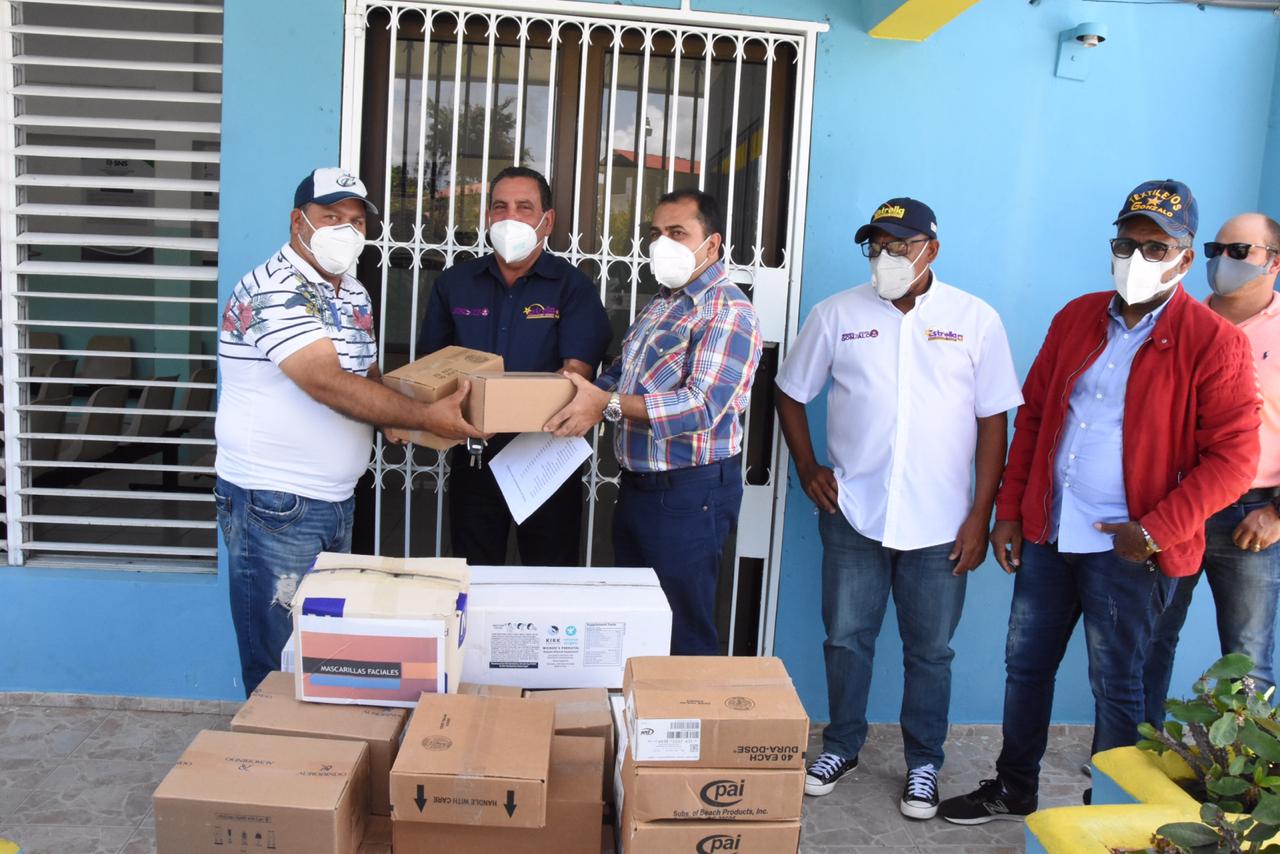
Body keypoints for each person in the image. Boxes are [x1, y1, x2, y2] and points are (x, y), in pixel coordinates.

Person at [939, 179, 1261, 824]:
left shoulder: (1213, 341)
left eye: (1155, 247)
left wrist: (1157, 529)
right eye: (1126, 243)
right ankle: (1014, 787)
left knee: (1119, 685)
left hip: (1132, 549)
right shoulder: (1077, 317)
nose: (1136, 257)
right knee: (1025, 668)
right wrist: (1011, 510)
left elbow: (1234, 459)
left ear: (1185, 257)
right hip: (1051, 532)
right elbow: (1034, 420)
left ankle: (1111, 809)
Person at [774, 198, 1023, 819]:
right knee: (846, 639)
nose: (885, 257)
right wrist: (807, 466)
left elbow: (994, 422)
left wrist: (980, 516)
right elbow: (789, 392)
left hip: (942, 523)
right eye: (877, 247)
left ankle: (924, 762)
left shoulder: (975, 319)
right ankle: (841, 746)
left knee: (930, 650)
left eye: (899, 246)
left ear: (930, 250)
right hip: (855, 512)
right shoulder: (836, 314)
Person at [215, 168, 484, 696]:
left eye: (357, 221)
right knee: (279, 662)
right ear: (298, 222)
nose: (346, 230)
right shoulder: (275, 289)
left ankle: (318, 747)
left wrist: (391, 415)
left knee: (320, 651)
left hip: (335, 498)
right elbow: (326, 381)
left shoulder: (354, 290)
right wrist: (426, 416)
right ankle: (273, 746)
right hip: (275, 503)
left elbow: (365, 374)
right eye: (331, 217)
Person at [544, 189, 762, 655]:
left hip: (689, 493)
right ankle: (639, 704)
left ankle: (686, 703)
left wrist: (605, 404)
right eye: (656, 234)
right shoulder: (663, 304)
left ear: (712, 244)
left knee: (681, 631)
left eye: (678, 233)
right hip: (639, 488)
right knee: (637, 624)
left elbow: (701, 406)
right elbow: (622, 374)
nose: (663, 244)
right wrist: (575, 394)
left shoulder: (727, 311)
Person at [414, 166, 610, 566]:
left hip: (545, 461)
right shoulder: (455, 284)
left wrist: (503, 404)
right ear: (488, 216)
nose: (510, 217)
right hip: (473, 455)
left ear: (547, 221)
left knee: (548, 575)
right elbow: (430, 370)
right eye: (500, 207)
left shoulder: (573, 288)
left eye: (524, 207)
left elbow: (575, 377)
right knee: (474, 573)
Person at [1144, 213, 1280, 717]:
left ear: (1274, 262)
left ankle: (1244, 764)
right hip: (1176, 506)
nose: (1224, 260)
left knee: (1248, 659)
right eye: (1216, 250)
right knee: (1149, 641)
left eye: (1239, 251)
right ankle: (1135, 753)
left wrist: (1277, 514)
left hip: (1251, 516)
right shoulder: (1180, 322)